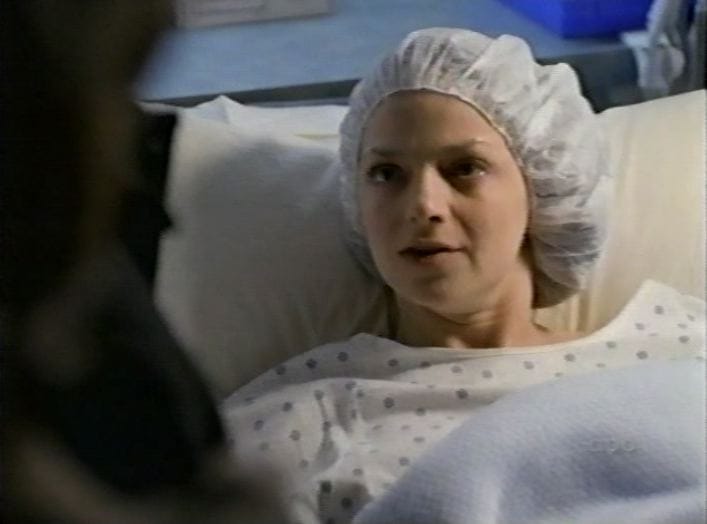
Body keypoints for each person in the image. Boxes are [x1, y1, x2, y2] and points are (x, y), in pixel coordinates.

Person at [221, 28, 705, 524]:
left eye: (465, 168)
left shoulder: (681, 344)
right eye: (387, 173)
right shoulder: (310, 421)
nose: (424, 205)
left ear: (541, 186)